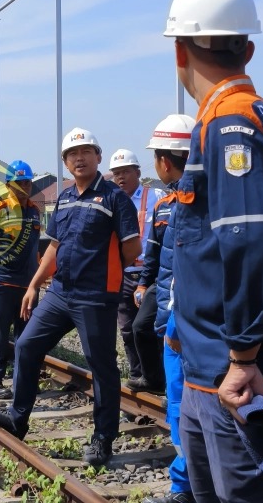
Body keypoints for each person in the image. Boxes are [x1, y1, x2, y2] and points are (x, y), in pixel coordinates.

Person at [163, 0, 263, 502]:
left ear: (180, 51)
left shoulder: (231, 124)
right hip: (210, 360)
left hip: (234, 372)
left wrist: (244, 356)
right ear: (249, 48)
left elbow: (251, 241)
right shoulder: (248, 117)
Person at [0, 127, 141, 467]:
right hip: (61, 292)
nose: (79, 158)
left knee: (102, 366)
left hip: (95, 297)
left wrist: (103, 274)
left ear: (98, 156)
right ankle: (17, 418)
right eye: (72, 154)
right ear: (66, 162)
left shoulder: (114, 199)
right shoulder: (65, 198)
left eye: (85, 151)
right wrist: (35, 284)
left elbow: (132, 248)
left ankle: (102, 437)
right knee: (26, 345)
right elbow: (54, 246)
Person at [136, 114, 196, 503]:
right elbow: (160, 258)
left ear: (164, 161)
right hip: (181, 315)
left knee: (183, 405)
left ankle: (185, 487)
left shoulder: (188, 204)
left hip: (184, 321)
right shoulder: (177, 201)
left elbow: (186, 272)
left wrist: (172, 325)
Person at [0, 160, 43, 399]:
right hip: (3, 283)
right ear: (9, 184)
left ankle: (23, 380)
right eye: (19, 183)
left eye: (27, 182)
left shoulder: (34, 211)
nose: (24, 186)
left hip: (28, 285)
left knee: (26, 335)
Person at [109, 149, 166, 392]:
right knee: (127, 329)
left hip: (150, 275)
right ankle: (138, 374)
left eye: (126, 172)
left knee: (153, 327)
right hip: (124, 273)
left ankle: (159, 377)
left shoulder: (156, 196)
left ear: (137, 173)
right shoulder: (111, 200)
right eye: (117, 173)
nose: (121, 177)